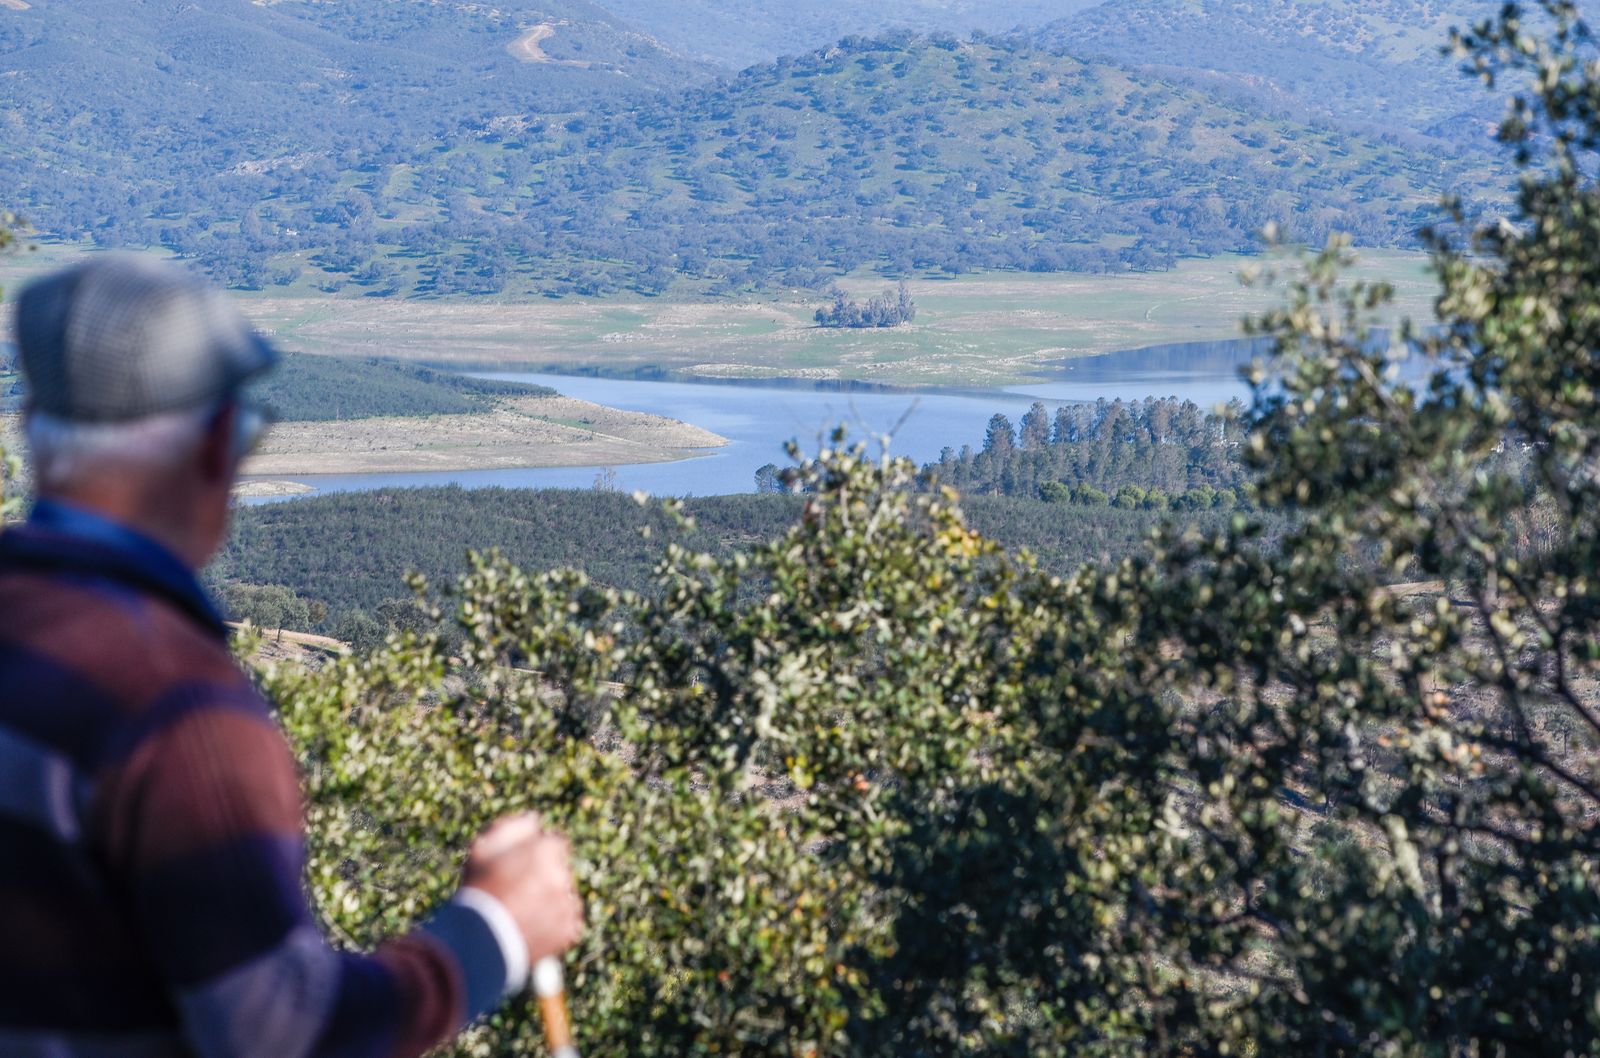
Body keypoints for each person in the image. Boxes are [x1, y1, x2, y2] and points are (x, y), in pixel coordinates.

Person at [0, 255, 583, 1058]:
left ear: (35, 432)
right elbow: (281, 1034)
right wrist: (496, 932)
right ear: (214, 447)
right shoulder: (174, 704)